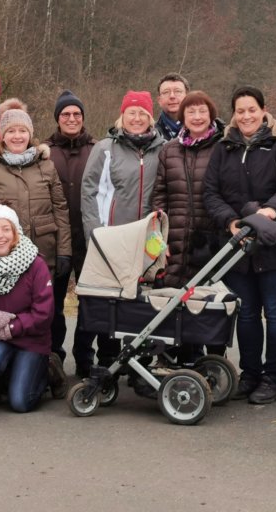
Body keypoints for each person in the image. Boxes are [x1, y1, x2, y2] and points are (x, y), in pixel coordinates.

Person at [203, 86, 276, 405]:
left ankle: (273, 377)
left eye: (252, 109)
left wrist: (270, 211)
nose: (246, 116)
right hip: (238, 244)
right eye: (240, 110)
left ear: (263, 110)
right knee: (245, 314)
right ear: (233, 114)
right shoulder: (224, 147)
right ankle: (250, 374)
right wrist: (231, 221)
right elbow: (211, 192)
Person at [0, 106, 72, 397]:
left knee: (49, 312)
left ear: (30, 134)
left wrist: (64, 249)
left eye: (22, 131)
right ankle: (1, 372)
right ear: (3, 135)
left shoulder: (46, 165)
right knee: (1, 305)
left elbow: (60, 209)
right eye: (11, 131)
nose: (17, 135)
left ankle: (46, 363)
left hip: (43, 249)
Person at [81, 90, 166, 366]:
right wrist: (96, 236)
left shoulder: (163, 148)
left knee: (143, 301)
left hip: (148, 241)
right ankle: (108, 360)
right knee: (111, 301)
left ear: (151, 117)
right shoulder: (105, 148)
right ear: (122, 115)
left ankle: (139, 363)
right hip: (112, 241)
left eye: (143, 113)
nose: (137, 118)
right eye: (132, 112)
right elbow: (90, 192)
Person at [0, 205, 56, 412]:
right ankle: (2, 379)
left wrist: (11, 327)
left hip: (31, 340)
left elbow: (43, 314)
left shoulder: (35, 264)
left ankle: (47, 373)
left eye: (5, 229)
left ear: (15, 233)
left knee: (20, 403)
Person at [44, 90, 96, 378]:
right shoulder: (45, 151)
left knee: (89, 302)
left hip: (88, 239)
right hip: (55, 238)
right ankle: (54, 357)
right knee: (54, 304)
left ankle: (85, 358)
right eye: (66, 114)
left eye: (77, 114)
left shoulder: (97, 149)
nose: (72, 118)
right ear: (57, 119)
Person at [152, 90, 225, 290]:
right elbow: (160, 196)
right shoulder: (169, 150)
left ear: (211, 115)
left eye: (203, 111)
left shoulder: (223, 147)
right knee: (168, 302)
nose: (197, 117)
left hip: (211, 242)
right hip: (173, 242)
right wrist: (158, 240)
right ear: (183, 116)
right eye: (191, 112)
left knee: (204, 305)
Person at [155, 73, 190, 141]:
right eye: (166, 92)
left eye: (178, 91)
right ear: (159, 100)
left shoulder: (201, 130)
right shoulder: (151, 134)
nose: (172, 96)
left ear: (188, 97)